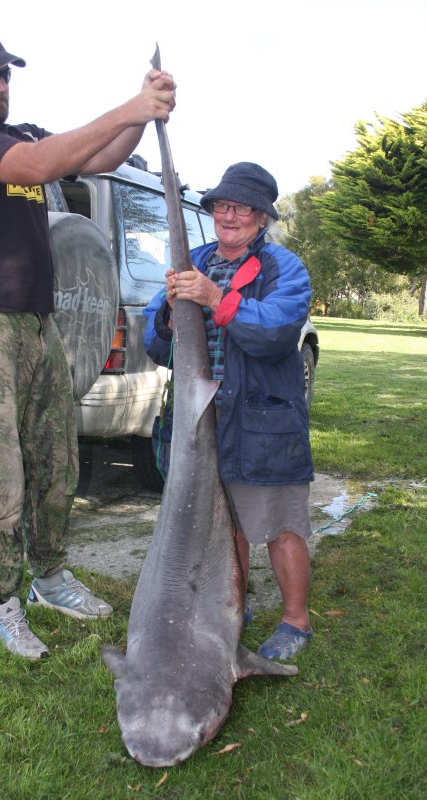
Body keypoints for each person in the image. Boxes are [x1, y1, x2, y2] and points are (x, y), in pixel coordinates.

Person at [0, 25, 176, 660]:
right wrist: (131, 109)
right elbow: (37, 168)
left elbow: (101, 157)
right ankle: (0, 603)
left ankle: (50, 578)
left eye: (8, 74)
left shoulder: (24, 135)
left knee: (57, 460)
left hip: (38, 325)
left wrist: (145, 108)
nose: (1, 85)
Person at [143, 162, 314, 661]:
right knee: (222, 527)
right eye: (222, 205)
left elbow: (277, 332)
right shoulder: (190, 261)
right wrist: (168, 317)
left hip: (262, 420)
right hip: (199, 420)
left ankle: (295, 620)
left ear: (261, 217)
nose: (230, 215)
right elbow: (155, 342)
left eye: (241, 207)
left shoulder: (285, 268)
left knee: (280, 524)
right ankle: (234, 608)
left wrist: (217, 297)